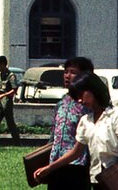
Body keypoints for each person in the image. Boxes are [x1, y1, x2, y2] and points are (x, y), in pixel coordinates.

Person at [35, 73, 118, 190]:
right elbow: (75, 152)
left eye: (81, 94)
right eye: (76, 97)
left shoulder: (116, 116)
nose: (80, 100)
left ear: (93, 90)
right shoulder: (85, 121)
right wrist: (49, 168)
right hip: (97, 179)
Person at [42, 56, 93, 190]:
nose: (67, 76)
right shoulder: (62, 102)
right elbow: (54, 134)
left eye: (73, 72)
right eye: (66, 72)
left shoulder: (89, 105)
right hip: (56, 162)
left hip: (78, 164)